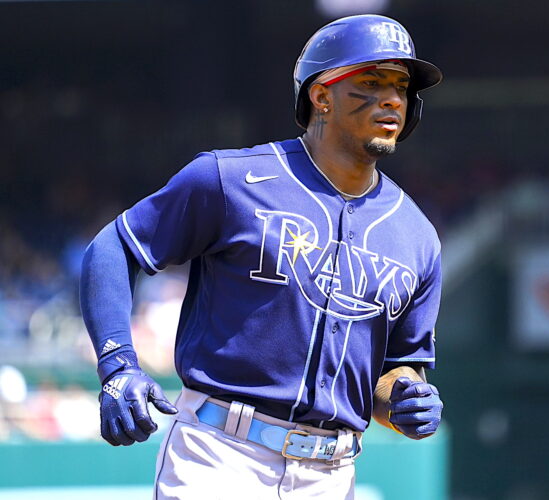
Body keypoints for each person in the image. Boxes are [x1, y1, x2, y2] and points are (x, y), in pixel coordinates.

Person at [80, 14, 444, 499]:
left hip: (332, 475)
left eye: (401, 87)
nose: (393, 99)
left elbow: (395, 366)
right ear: (321, 95)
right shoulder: (230, 180)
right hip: (221, 456)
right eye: (371, 81)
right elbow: (115, 247)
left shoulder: (417, 235)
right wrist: (118, 366)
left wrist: (403, 396)